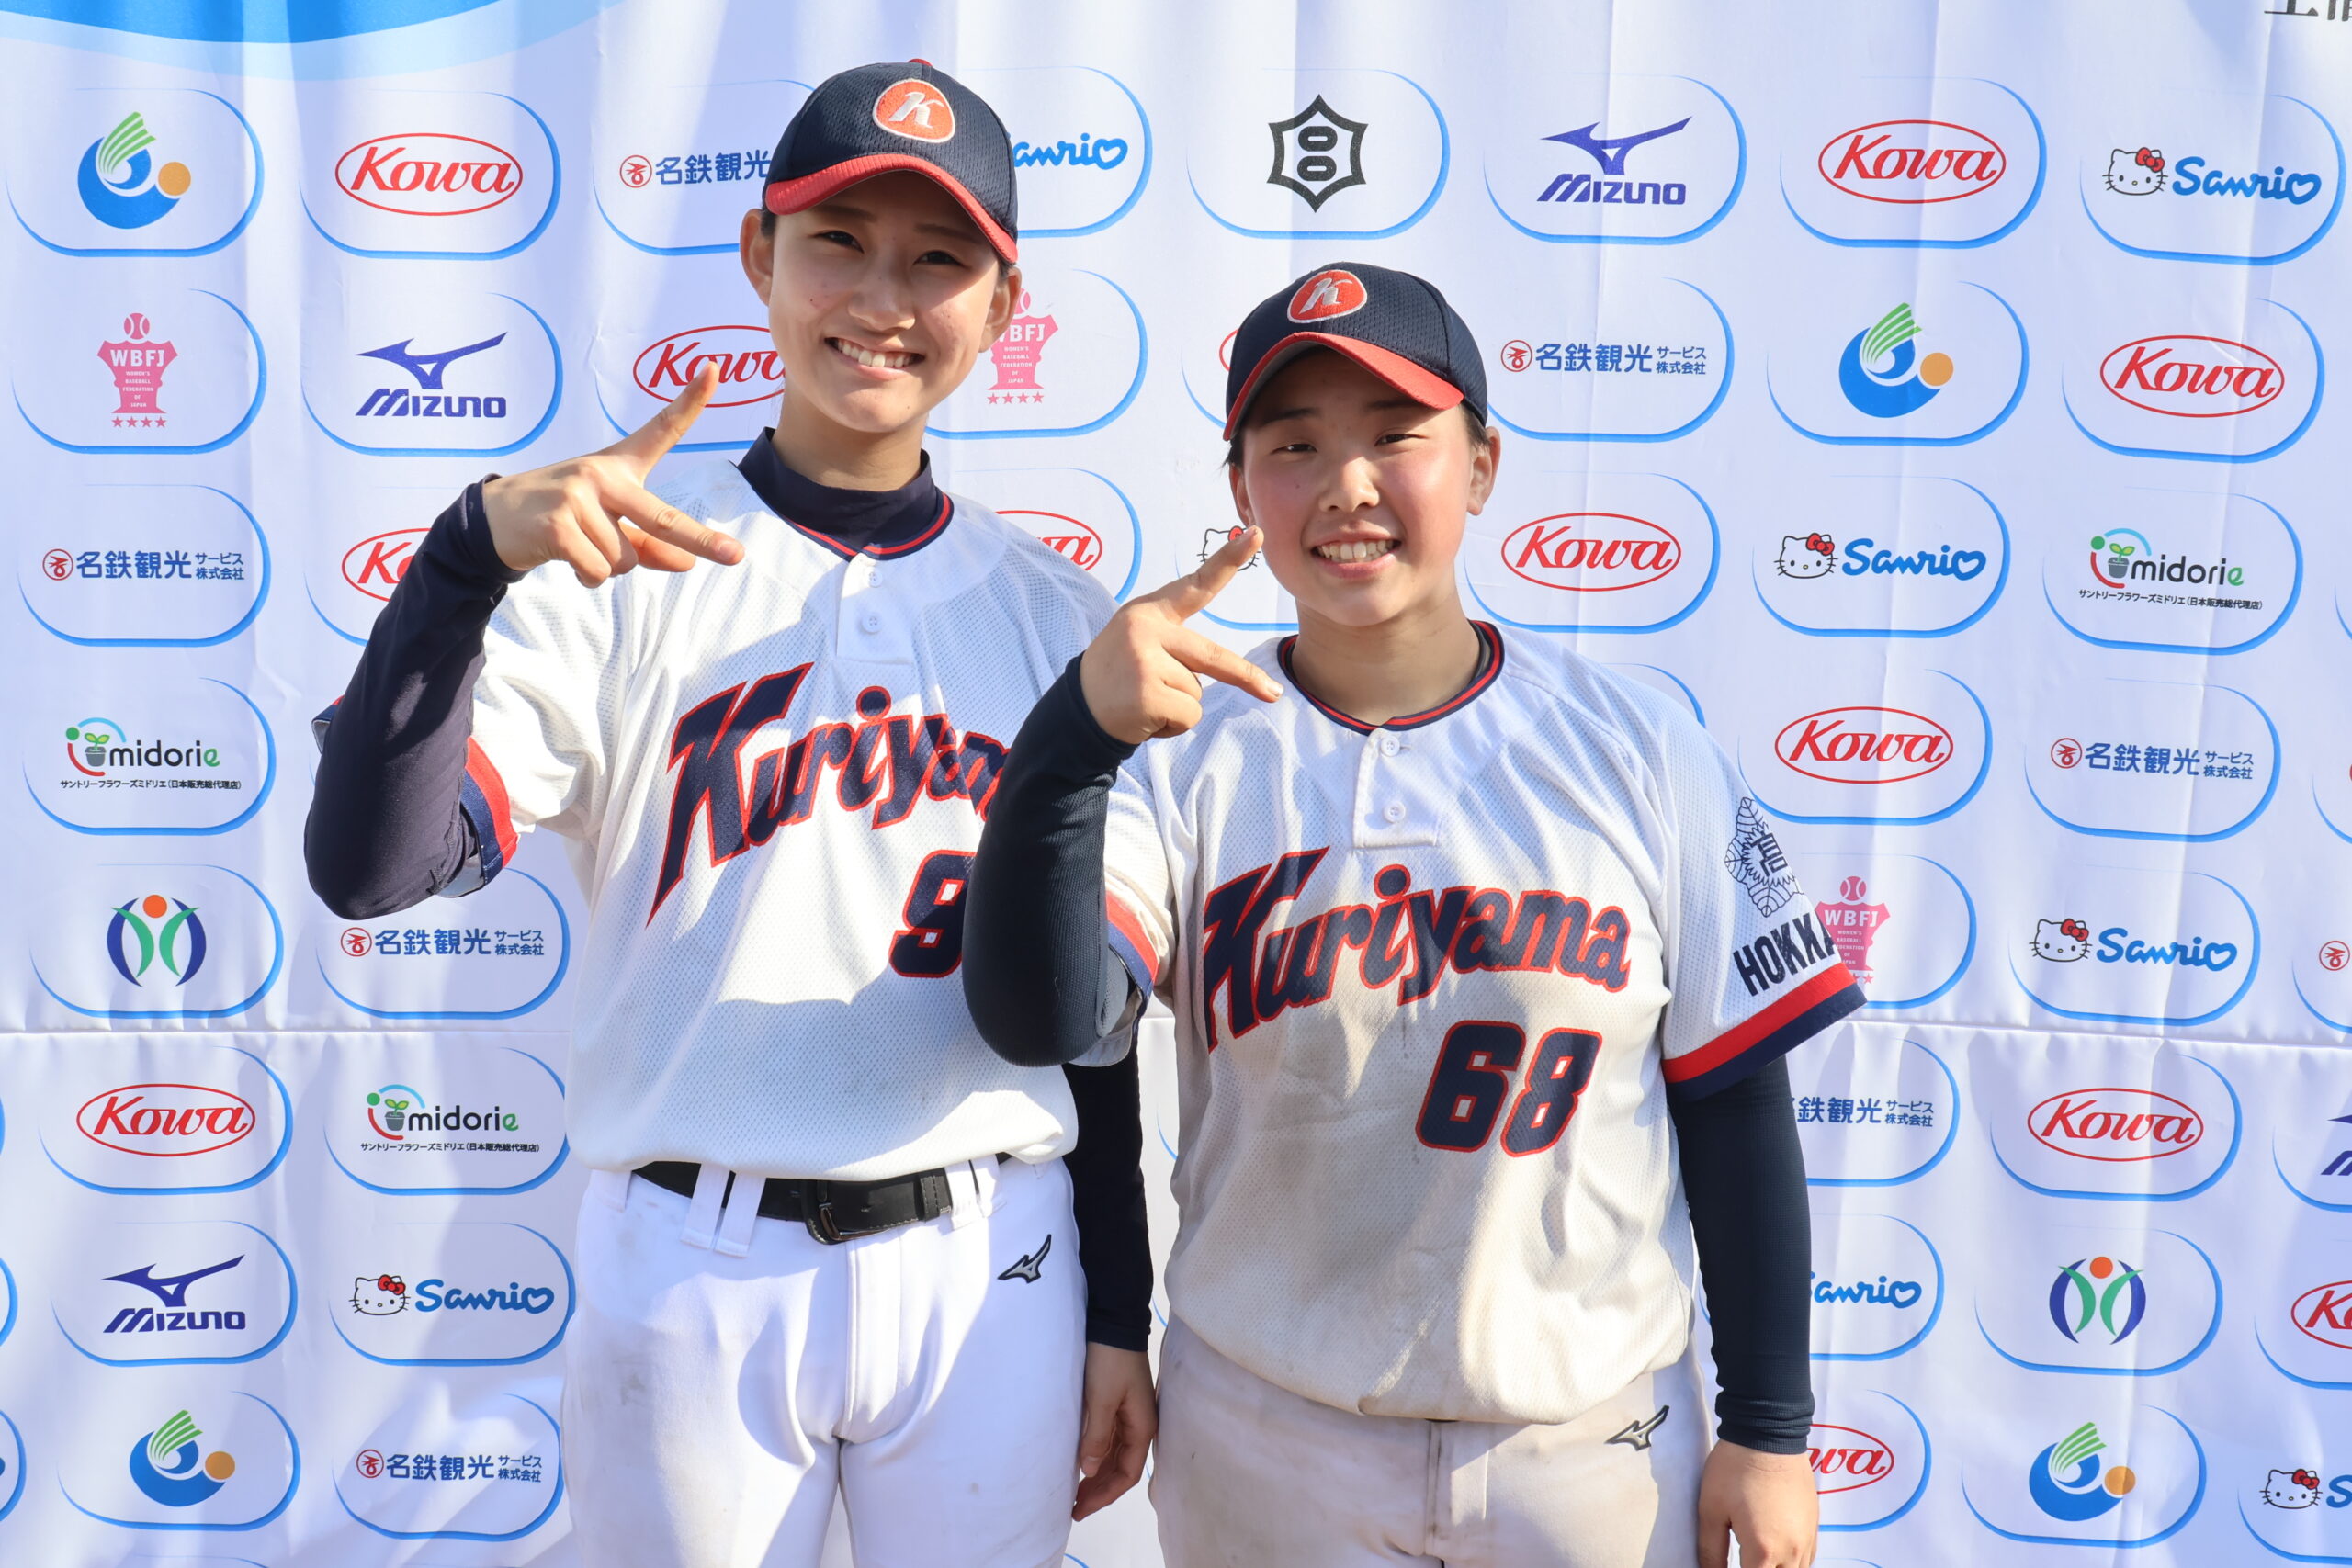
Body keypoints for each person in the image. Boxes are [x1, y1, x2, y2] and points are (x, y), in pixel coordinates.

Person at [305, 61, 1153, 1568]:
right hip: (694, 1257)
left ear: (1002, 305)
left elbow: (1094, 1021)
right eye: (838, 242)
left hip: (993, 1256)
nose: (882, 299)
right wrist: (461, 565)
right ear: (760, 253)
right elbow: (370, 870)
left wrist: (1120, 1310)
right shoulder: (621, 567)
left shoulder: (1061, 618)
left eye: (938, 259)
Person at [961, 262, 1863, 1568]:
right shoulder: (1183, 756)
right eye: (1295, 446)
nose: (1347, 485)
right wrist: (1068, 749)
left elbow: (1731, 1097)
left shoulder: (1636, 746)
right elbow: (1054, 1025)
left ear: (1482, 466)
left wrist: (1771, 1427)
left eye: (1396, 437)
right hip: (1267, 1432)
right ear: (1240, 491)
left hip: (1585, 1444)